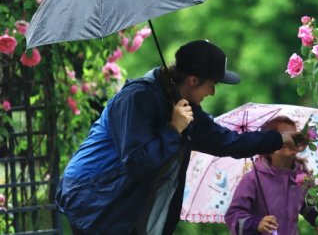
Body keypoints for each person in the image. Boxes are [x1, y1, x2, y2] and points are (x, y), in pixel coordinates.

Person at [55, 40, 300, 235]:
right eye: (212, 84)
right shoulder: (136, 99)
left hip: (122, 197)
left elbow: (227, 142)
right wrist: (173, 130)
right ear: (193, 80)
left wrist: (279, 139)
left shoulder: (184, 106)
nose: (213, 92)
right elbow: (137, 163)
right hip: (93, 195)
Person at [225, 116, 318, 235]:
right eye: (282, 136)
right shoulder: (252, 179)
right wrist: (257, 224)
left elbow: (307, 206)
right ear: (269, 142)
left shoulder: (302, 177)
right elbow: (233, 216)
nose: (288, 140)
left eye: (293, 136)